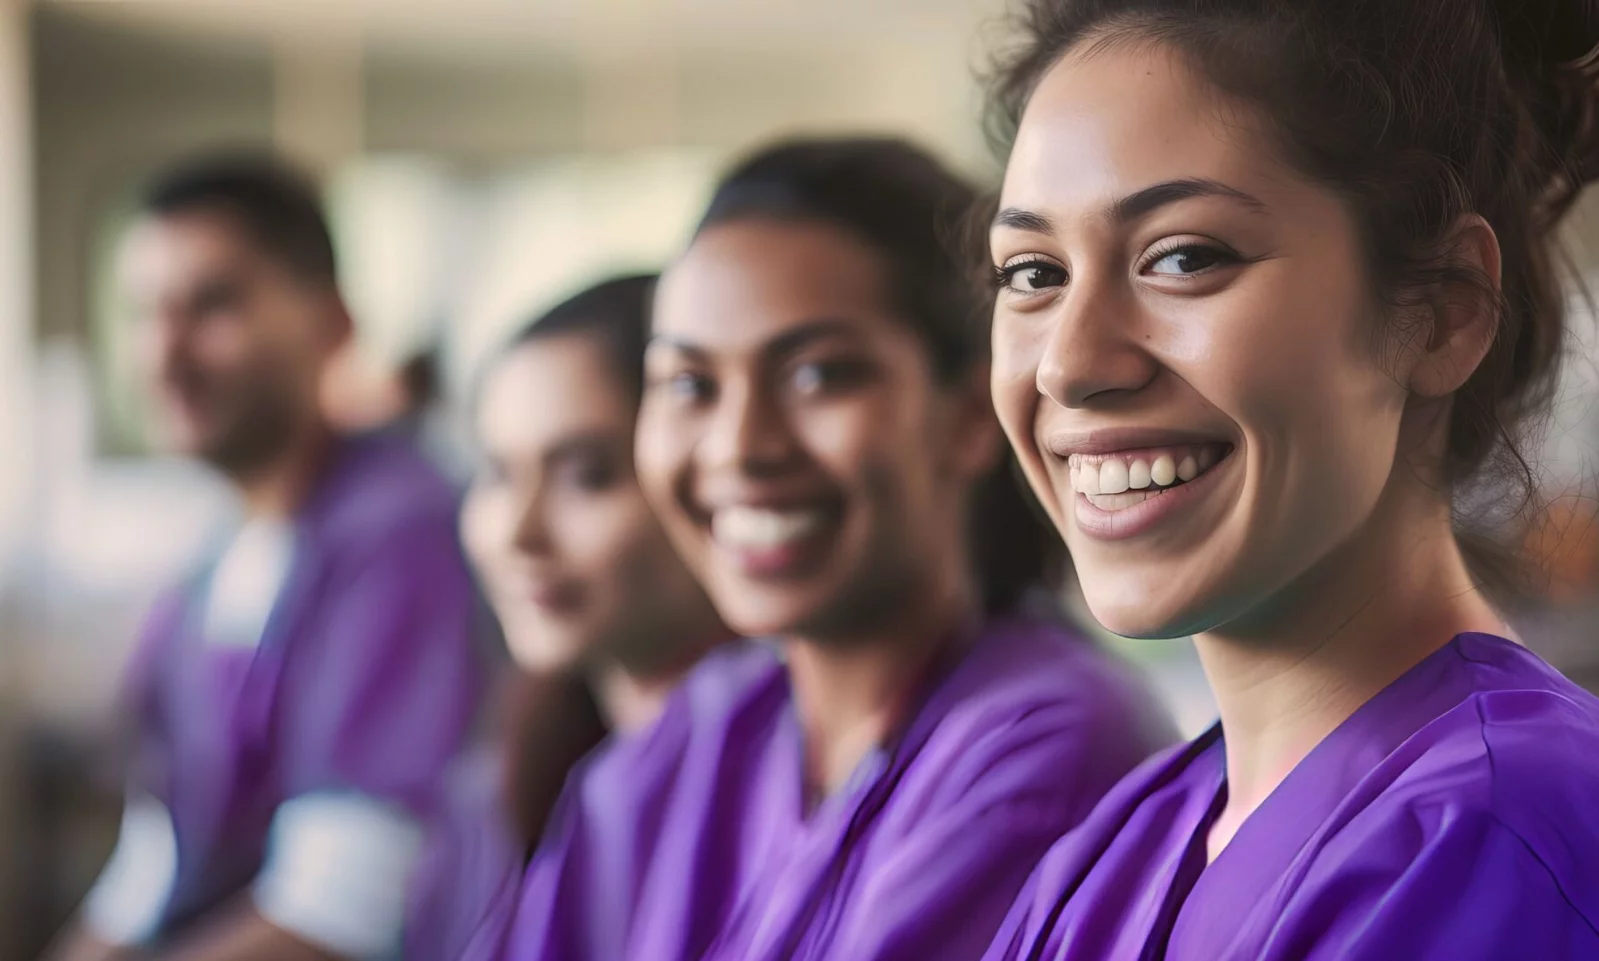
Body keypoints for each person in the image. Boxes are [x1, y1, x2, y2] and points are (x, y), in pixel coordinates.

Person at [979, 1, 1599, 958]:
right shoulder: (1120, 848)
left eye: (1183, 256)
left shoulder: (1488, 837)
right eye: (1030, 272)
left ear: (1440, 312)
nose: (1068, 362)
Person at [465, 137, 1177, 961]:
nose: (739, 446)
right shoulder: (702, 733)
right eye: (691, 385)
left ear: (967, 413)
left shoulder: (1039, 749)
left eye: (817, 377)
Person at [47, 153, 486, 961]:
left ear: (333, 328)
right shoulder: (214, 564)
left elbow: (346, 909)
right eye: (145, 312)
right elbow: (158, 854)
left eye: (211, 306)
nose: (164, 353)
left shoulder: (396, 538)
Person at [403, 275, 730, 961]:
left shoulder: (781, 786)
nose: (519, 532)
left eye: (586, 475)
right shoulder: (509, 768)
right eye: (495, 472)